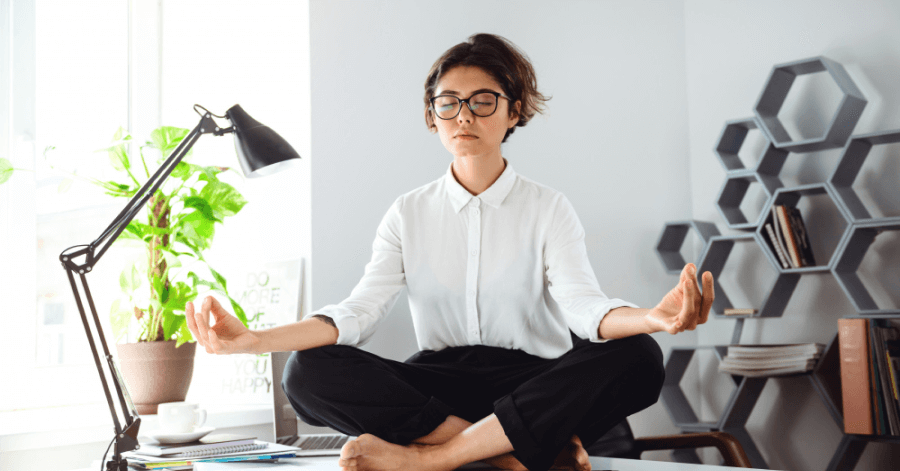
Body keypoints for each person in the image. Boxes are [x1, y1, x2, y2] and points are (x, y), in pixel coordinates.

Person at [185, 33, 714, 471]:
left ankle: (433, 460)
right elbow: (357, 313)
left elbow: (584, 307)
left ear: (513, 112)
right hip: (437, 392)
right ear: (432, 116)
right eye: (449, 103)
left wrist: (653, 318)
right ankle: (510, 452)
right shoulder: (407, 212)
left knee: (640, 357)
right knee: (305, 372)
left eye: (483, 101)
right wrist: (252, 341)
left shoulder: (548, 207)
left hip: (532, 383)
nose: (464, 115)